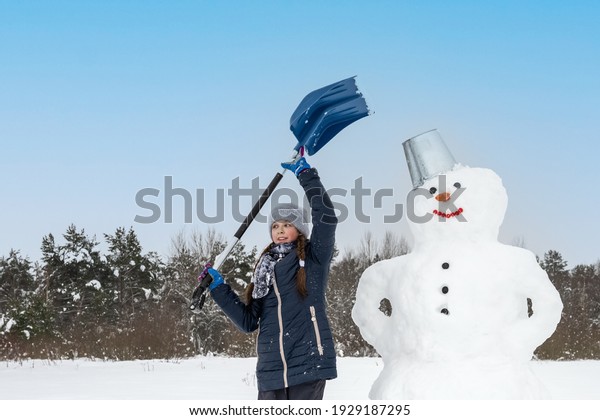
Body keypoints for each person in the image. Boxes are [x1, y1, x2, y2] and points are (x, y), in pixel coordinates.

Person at [205, 154, 338, 400]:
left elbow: (327, 217)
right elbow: (248, 322)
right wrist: (219, 288)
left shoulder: (313, 258)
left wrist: (306, 176)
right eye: (275, 226)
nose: (280, 230)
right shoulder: (263, 269)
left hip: (307, 364)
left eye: (287, 225)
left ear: (299, 229)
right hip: (270, 371)